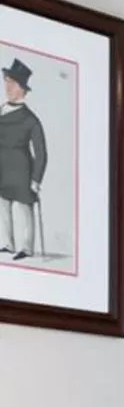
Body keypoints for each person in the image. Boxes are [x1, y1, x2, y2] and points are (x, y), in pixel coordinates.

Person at [0, 58, 47, 263]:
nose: (7, 86)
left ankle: (26, 248)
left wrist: (36, 179)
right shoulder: (0, 111)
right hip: (1, 168)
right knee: (3, 206)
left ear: (22, 89)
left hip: (21, 171)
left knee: (23, 208)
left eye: (12, 83)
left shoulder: (30, 119)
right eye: (6, 81)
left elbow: (42, 152)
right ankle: (7, 243)